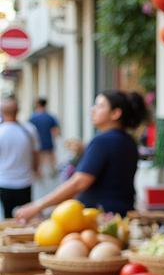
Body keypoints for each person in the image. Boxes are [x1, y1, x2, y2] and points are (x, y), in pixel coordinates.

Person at [17, 90, 147, 221]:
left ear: (115, 113)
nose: (93, 110)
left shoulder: (103, 140)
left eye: (100, 106)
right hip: (121, 215)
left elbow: (79, 183)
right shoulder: (128, 141)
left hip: (101, 219)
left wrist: (38, 206)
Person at [0, 97, 39, 218]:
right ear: (18, 110)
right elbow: (36, 154)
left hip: (5, 181)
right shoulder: (29, 129)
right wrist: (35, 170)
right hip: (25, 181)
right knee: (25, 218)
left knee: (8, 217)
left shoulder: (1, 131)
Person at [28, 97, 59, 177]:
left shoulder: (32, 117)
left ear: (38, 105)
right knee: (51, 157)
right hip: (48, 140)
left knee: (39, 158)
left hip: (37, 141)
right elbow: (55, 130)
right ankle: (52, 170)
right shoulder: (50, 116)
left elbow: (29, 131)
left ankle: (39, 173)